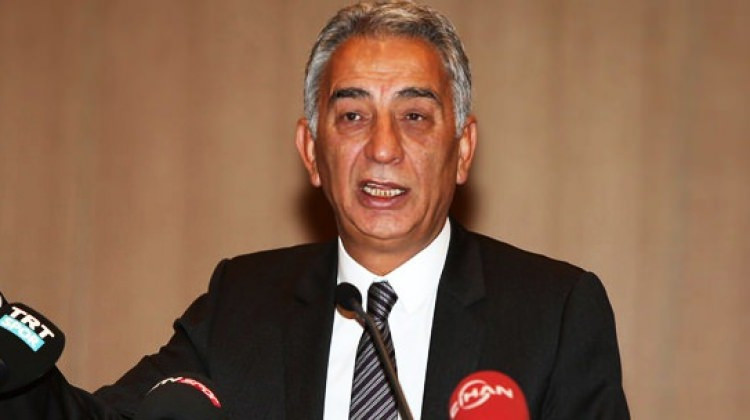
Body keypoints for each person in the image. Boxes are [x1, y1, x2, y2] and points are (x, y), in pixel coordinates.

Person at [1, 1, 629, 418]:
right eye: (352, 115)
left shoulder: (555, 312)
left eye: (414, 116)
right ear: (311, 151)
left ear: (462, 150)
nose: (383, 148)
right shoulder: (243, 300)